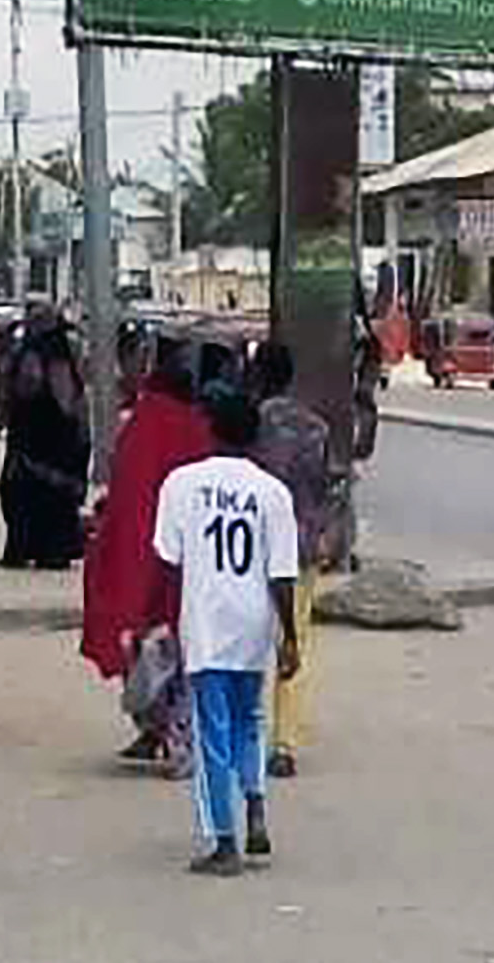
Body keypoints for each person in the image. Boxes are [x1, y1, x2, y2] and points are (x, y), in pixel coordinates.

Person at [152, 384, 300, 876]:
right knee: (249, 719)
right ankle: (255, 801)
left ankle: (224, 841)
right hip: (254, 620)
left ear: (211, 430)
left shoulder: (181, 483)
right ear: (256, 436)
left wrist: (165, 619)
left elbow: (167, 562)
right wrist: (290, 638)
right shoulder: (273, 493)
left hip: (206, 620)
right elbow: (282, 574)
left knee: (211, 731)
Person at [82, 339, 211, 768]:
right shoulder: (195, 429)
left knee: (141, 648)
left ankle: (162, 733)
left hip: (141, 556)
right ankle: (165, 734)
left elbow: (128, 493)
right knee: (173, 651)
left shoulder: (142, 424)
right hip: (181, 560)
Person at [250, 340, 330, 779]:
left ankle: (243, 728)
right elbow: (321, 490)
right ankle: (284, 744)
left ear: (258, 375)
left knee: (247, 639)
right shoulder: (316, 428)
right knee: (294, 639)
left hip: (253, 547)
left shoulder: (251, 426)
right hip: (299, 547)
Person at [0, 317, 91, 570]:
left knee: (24, 497)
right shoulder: (52, 355)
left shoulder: (32, 353)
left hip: (34, 440)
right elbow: (68, 402)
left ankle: (27, 548)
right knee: (47, 498)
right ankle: (50, 550)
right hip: (49, 441)